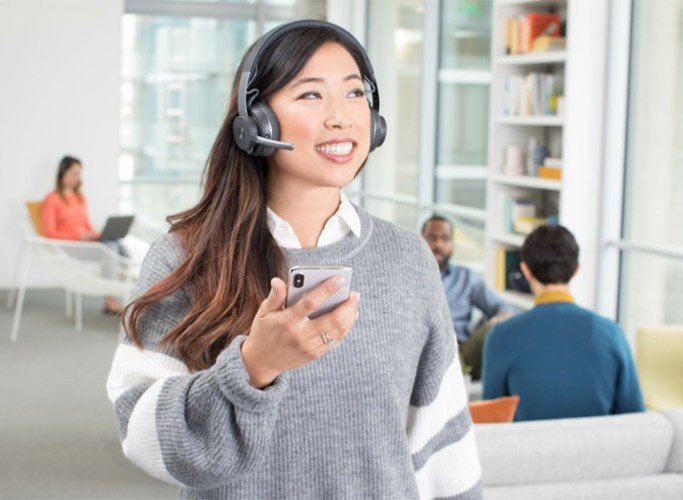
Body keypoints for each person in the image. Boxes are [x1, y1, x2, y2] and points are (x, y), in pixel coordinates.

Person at [105, 20, 481, 499]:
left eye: (353, 93)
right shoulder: (187, 256)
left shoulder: (407, 258)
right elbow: (140, 433)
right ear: (257, 122)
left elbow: (443, 448)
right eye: (310, 95)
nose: (342, 116)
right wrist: (252, 367)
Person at [482, 224, 644, 421]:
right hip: (598, 450)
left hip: (527, 450)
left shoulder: (501, 336)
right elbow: (635, 419)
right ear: (576, 270)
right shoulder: (611, 333)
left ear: (526, 270)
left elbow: (491, 420)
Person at [421, 214, 515, 379]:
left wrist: (494, 321)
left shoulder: (466, 278)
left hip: (461, 352)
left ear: (453, 243)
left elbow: (505, 309)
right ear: (421, 240)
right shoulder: (409, 275)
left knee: (494, 329)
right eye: (432, 238)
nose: (438, 244)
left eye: (445, 239)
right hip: (420, 349)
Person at [40, 155, 124, 314]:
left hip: (86, 242)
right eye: (74, 173)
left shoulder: (80, 197)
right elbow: (50, 233)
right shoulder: (51, 200)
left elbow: (86, 225)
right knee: (109, 251)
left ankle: (123, 272)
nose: (77, 178)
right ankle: (110, 300)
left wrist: (97, 234)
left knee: (114, 242)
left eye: (79, 173)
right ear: (62, 173)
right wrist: (78, 237)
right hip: (69, 246)